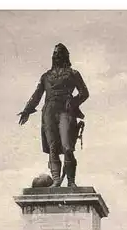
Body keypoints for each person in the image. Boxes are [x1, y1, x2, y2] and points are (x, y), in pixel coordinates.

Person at [18, 43, 89, 187]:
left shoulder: (73, 74)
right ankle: (56, 180)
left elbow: (84, 93)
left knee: (67, 147)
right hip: (49, 111)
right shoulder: (46, 76)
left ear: (65, 56)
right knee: (53, 147)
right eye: (55, 54)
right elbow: (37, 95)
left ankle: (71, 181)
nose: (57, 56)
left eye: (60, 53)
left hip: (66, 111)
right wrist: (27, 110)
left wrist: (73, 102)